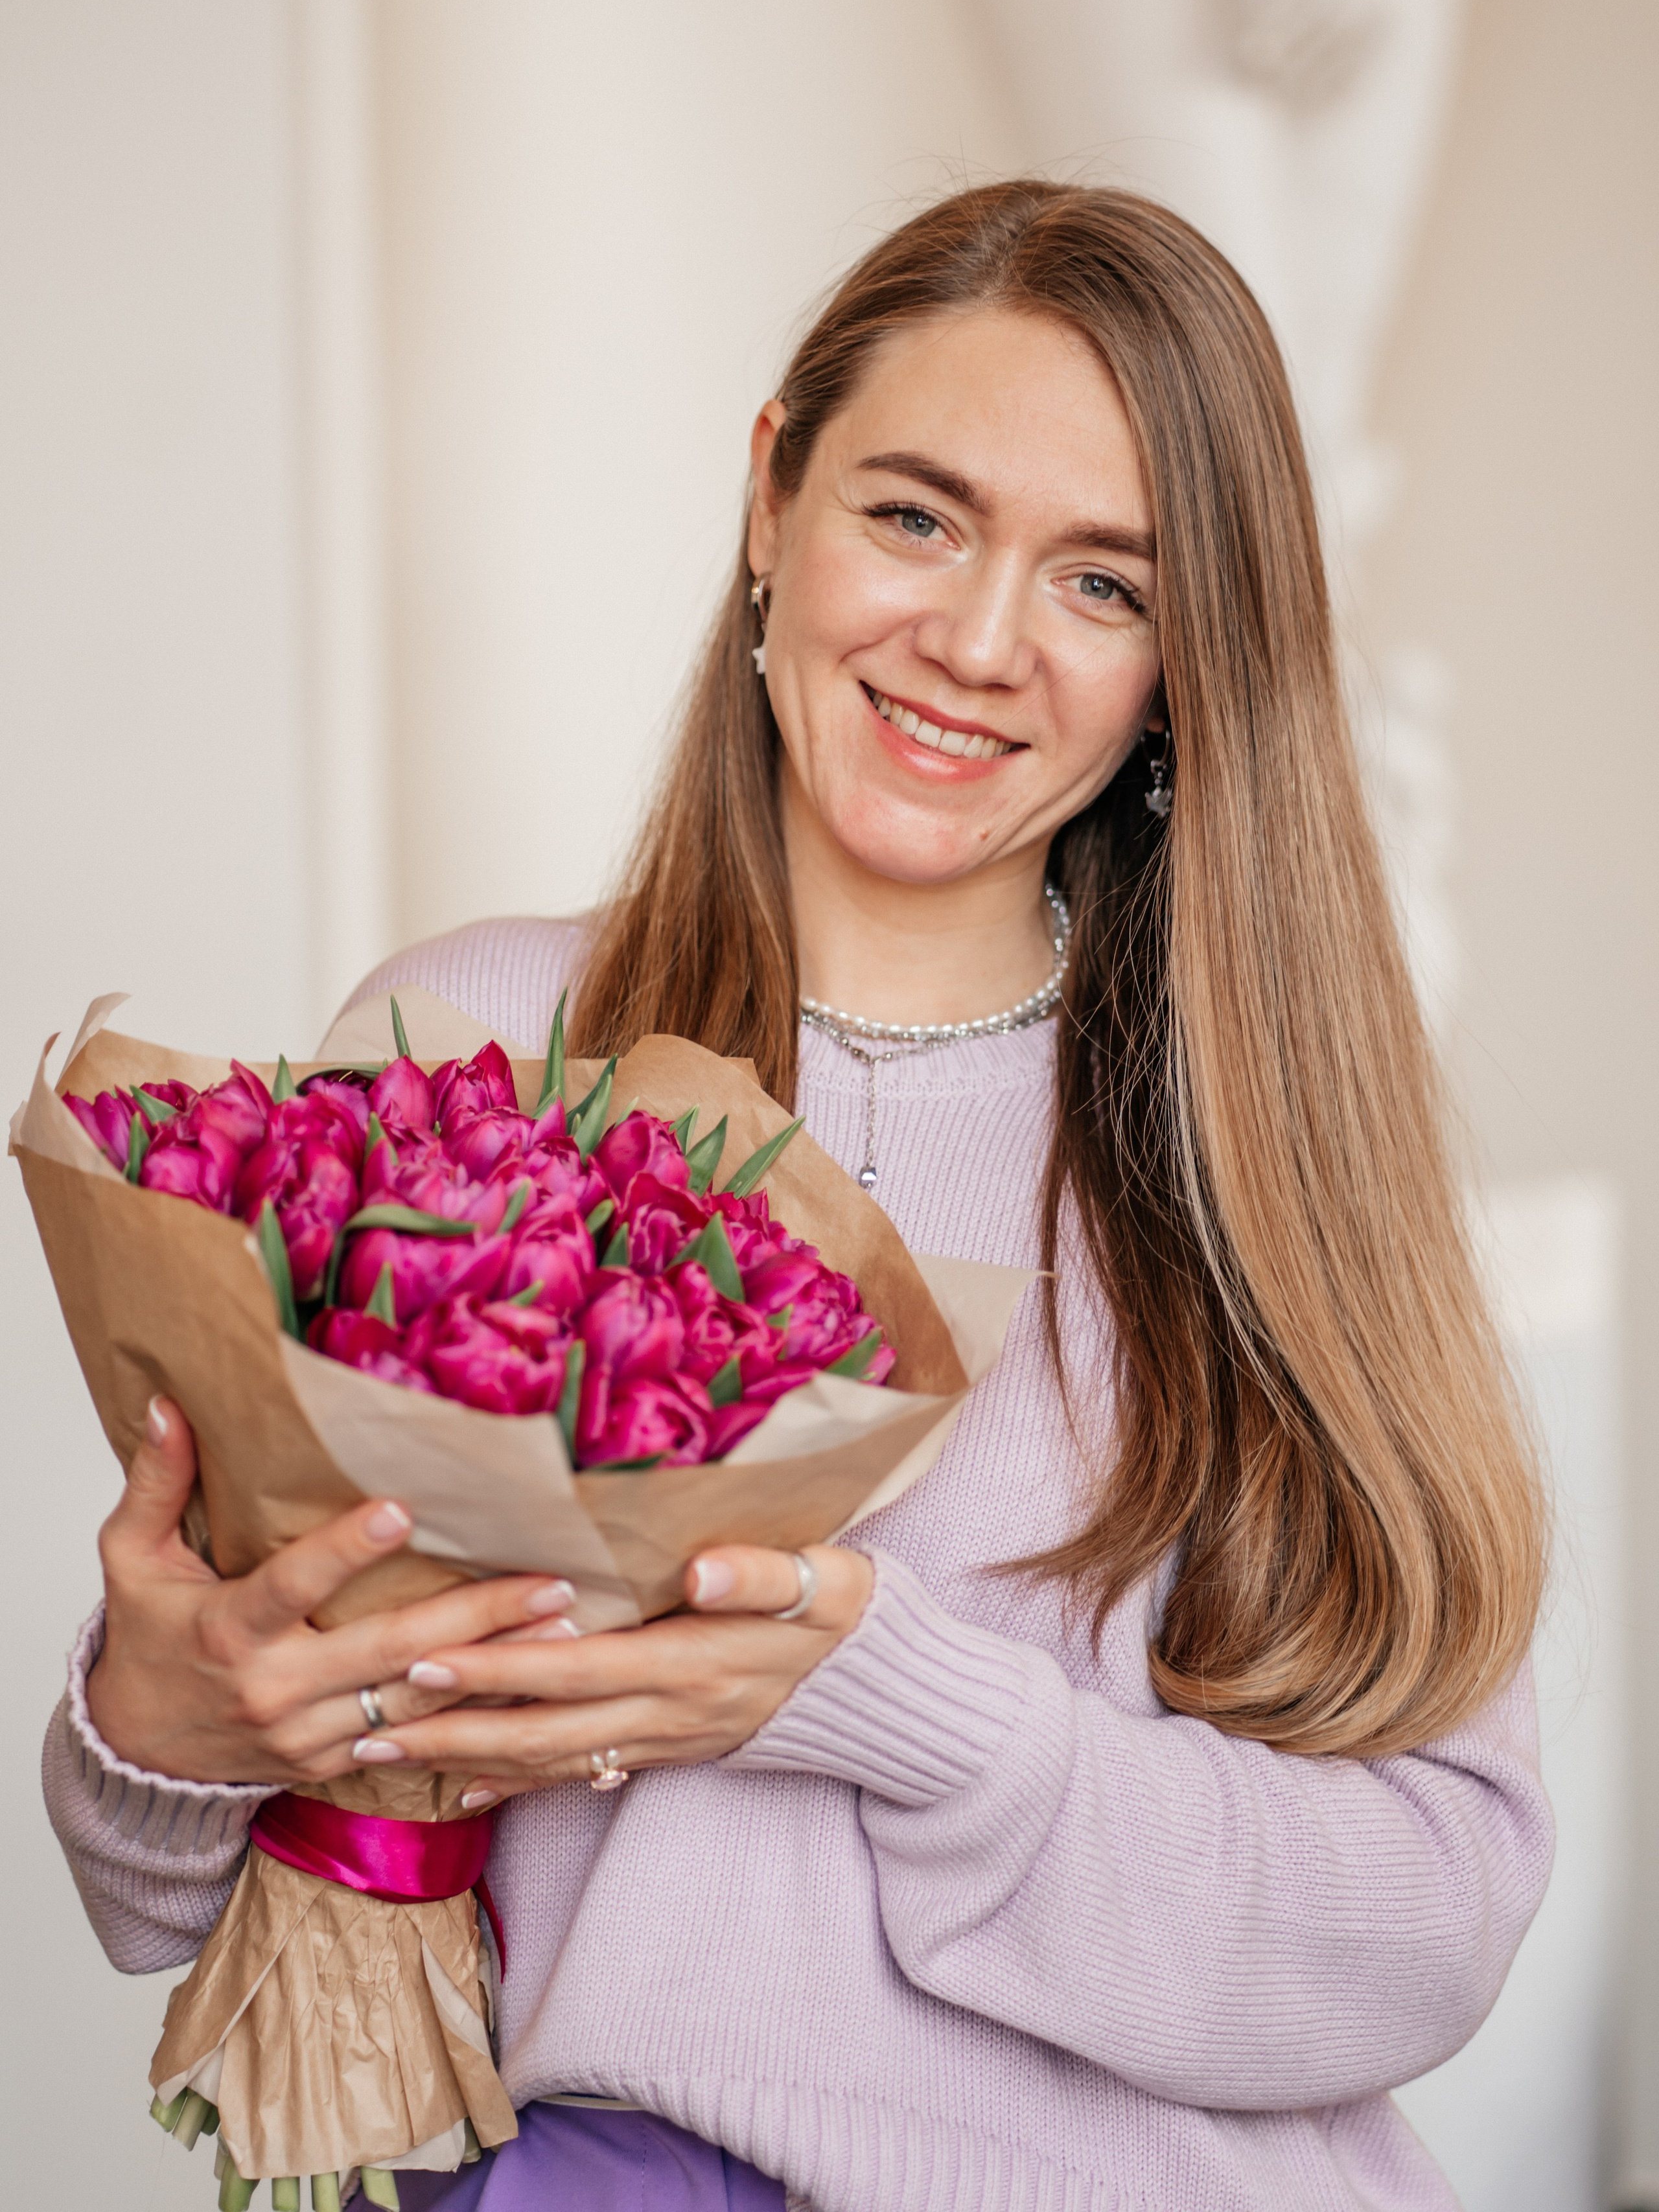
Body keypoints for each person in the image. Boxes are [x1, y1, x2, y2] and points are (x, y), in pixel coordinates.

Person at [45, 183, 1551, 2212]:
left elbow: (1430, 1930)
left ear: (1187, 664)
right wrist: (159, 1715)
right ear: (774, 497)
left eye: (1106, 583)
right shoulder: (468, 1042)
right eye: (915, 517)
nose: (980, 641)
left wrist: (899, 1717)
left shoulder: (1274, 1162)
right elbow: (218, 1868)